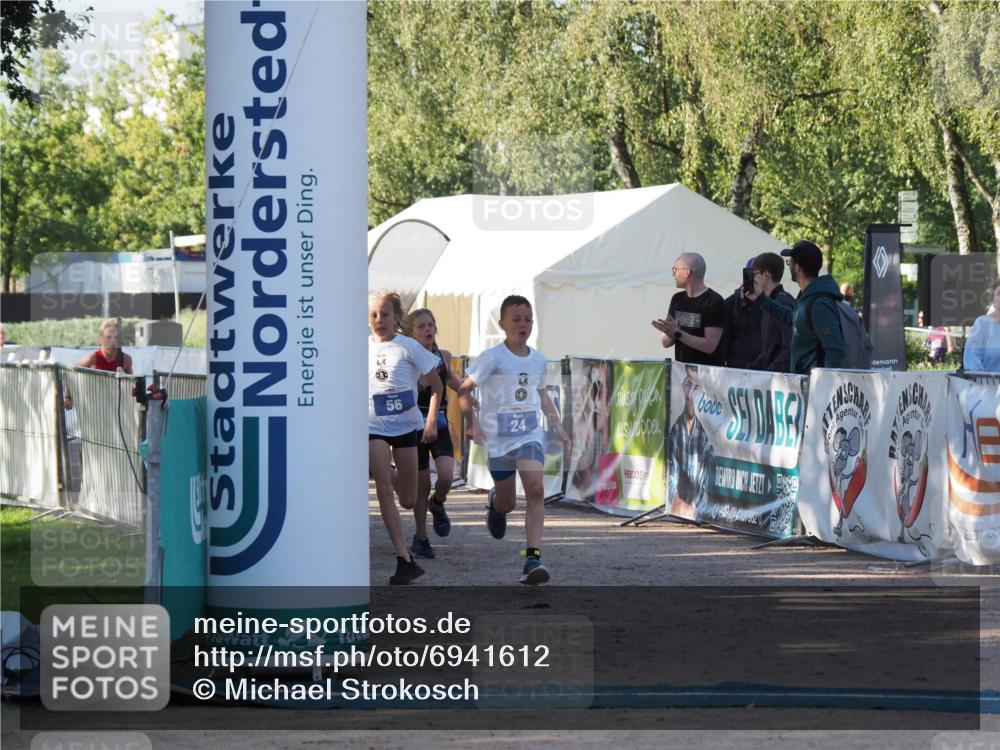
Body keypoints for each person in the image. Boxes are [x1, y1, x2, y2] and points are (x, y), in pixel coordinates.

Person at [457, 295, 570, 585]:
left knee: (535, 490)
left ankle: (532, 558)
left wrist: (558, 427)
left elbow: (543, 396)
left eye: (528, 319)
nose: (523, 325)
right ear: (503, 323)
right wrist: (473, 424)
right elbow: (464, 391)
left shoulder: (539, 359)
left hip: (529, 435)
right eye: (517, 319)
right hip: (498, 439)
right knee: (508, 501)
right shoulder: (492, 358)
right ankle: (496, 504)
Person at [368, 292, 443, 585]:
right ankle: (404, 559)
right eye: (373, 315)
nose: (379, 321)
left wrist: (430, 421)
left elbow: (436, 386)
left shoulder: (409, 346)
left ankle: (386, 470)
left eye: (385, 314)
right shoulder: (360, 348)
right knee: (384, 490)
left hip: (406, 428)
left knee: (410, 500)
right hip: (373, 425)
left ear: (397, 317)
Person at [404, 308, 463, 557]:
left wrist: (467, 393)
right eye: (421, 326)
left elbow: (450, 379)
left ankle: (437, 504)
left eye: (431, 324)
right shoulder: (403, 359)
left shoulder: (443, 356)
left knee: (447, 475)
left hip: (437, 423)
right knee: (422, 484)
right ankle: (421, 537)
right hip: (412, 425)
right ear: (410, 333)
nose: (428, 329)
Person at [746, 240, 846, 374]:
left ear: (798, 268)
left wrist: (824, 386)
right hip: (803, 384)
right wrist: (760, 299)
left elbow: (835, 350)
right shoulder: (807, 297)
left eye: (790, 262)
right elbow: (790, 317)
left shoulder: (819, 303)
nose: (789, 266)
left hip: (813, 387)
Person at [651, 252, 725, 366]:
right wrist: (668, 332)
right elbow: (665, 343)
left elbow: (710, 346)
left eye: (675, 269)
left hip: (707, 376)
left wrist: (677, 333)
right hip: (681, 373)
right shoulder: (677, 299)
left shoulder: (714, 301)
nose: (673, 274)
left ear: (687, 272)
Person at [668, 365, 714, 521]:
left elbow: (703, 496)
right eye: (688, 384)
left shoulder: (706, 438)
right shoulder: (675, 431)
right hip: (679, 511)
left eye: (696, 387)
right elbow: (670, 483)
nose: (689, 394)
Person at [63, 319, 134, 410]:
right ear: (100, 340)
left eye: (116, 337)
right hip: (95, 410)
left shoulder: (126, 360)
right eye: (108, 337)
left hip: (117, 409)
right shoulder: (92, 358)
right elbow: (70, 372)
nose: (113, 340)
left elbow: (132, 385)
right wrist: (68, 397)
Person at [748, 252, 796, 372]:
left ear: (766, 275)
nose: (752, 279)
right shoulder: (769, 303)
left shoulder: (783, 302)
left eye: (754, 274)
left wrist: (768, 375)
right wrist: (749, 371)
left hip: (781, 382)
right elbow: (768, 350)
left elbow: (788, 349)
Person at [719, 260, 763, 369]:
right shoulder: (731, 303)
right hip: (736, 368)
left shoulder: (774, 303)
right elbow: (723, 339)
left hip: (765, 369)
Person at [963, 280, 1000, 372]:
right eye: (999, 294)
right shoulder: (982, 323)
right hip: (989, 384)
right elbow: (972, 357)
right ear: (992, 298)